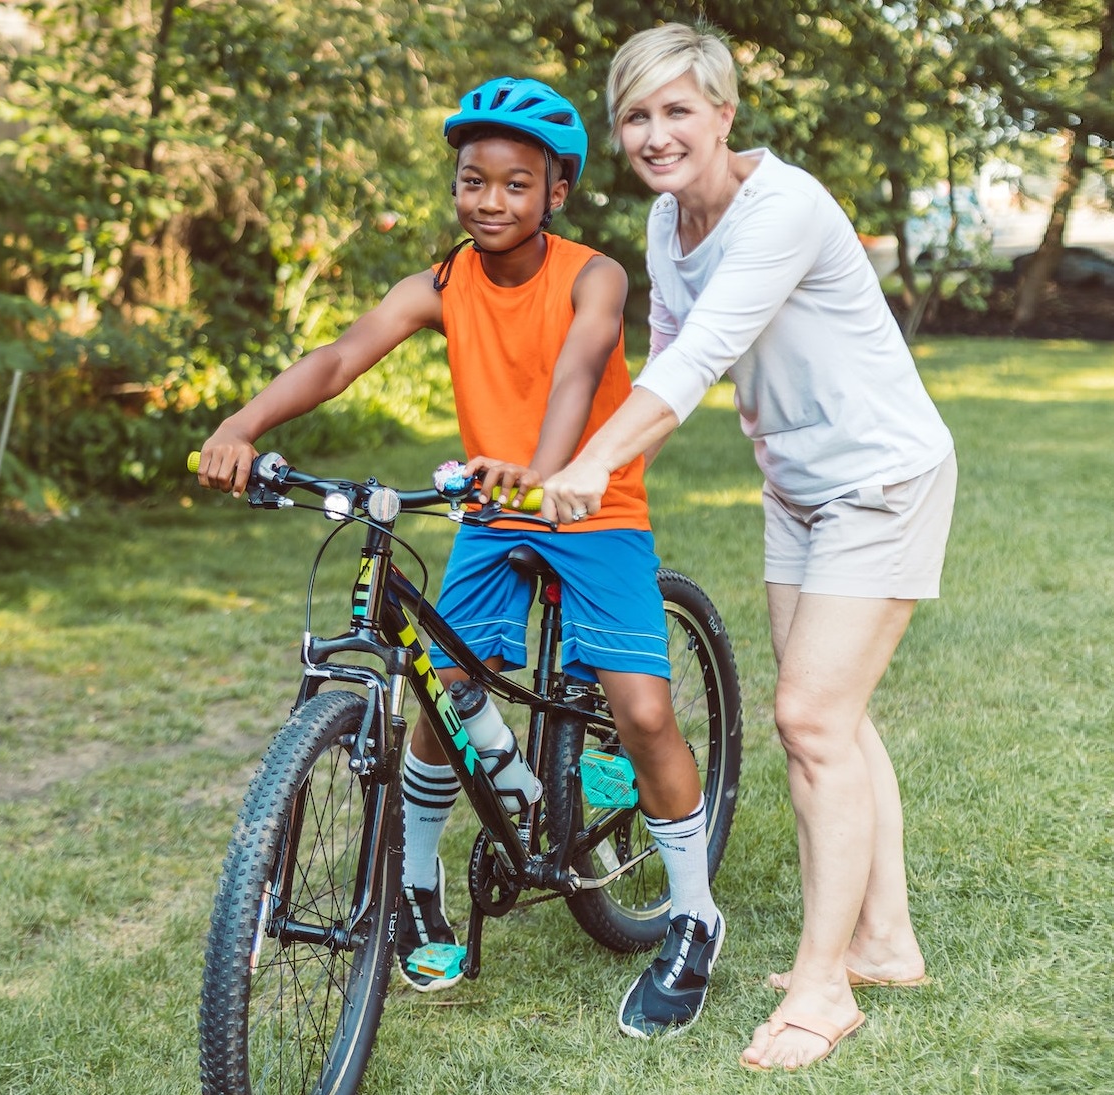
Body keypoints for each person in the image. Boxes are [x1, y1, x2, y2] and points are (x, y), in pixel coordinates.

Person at [194, 75, 723, 1038]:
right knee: (439, 692)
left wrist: (545, 468)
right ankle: (419, 887)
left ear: (554, 193)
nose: (490, 201)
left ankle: (692, 915)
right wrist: (241, 424)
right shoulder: (438, 284)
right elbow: (338, 358)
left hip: (589, 502)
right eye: (472, 181)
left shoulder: (591, 273)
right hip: (490, 508)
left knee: (643, 711)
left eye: (515, 185)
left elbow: (578, 363)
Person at [540, 23, 956, 1071]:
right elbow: (672, 349)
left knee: (810, 718)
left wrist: (589, 467)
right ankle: (886, 941)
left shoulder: (785, 207)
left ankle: (824, 990)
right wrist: (597, 463)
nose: (656, 133)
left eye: (679, 109)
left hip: (882, 478)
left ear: (726, 113)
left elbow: (700, 361)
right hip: (798, 491)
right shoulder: (666, 224)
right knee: (833, 721)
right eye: (637, 114)